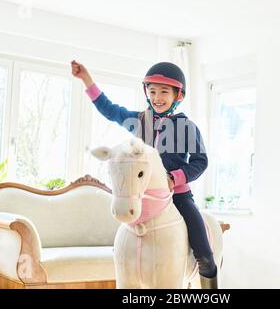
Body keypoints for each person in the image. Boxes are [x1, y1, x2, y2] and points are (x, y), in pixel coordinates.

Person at [71, 60, 218, 288]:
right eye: (152, 92)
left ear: (177, 96)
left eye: (164, 92)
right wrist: (87, 80)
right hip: (143, 197)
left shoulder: (187, 126)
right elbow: (109, 110)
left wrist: (174, 179)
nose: (157, 97)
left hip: (177, 196)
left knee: (205, 251)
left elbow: (201, 162)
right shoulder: (139, 121)